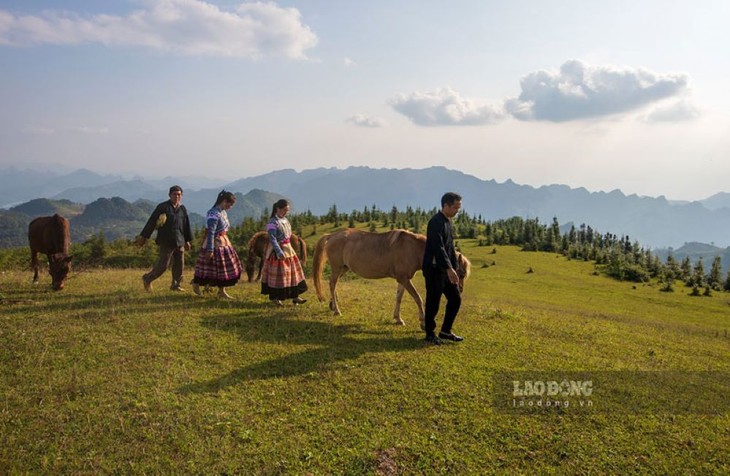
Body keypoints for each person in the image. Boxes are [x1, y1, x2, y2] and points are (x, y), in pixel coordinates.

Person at [422, 192, 464, 345]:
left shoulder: (448, 222)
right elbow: (438, 248)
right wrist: (449, 269)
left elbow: (450, 248)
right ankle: (430, 333)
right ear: (446, 205)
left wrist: (455, 268)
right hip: (434, 269)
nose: (457, 211)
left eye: (459, 208)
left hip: (446, 270)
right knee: (433, 302)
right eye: (455, 208)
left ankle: (446, 331)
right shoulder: (435, 222)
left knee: (455, 298)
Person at [135, 185, 193, 292]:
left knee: (180, 265)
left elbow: (186, 225)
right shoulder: (163, 207)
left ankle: (176, 285)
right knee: (163, 265)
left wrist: (187, 241)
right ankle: (147, 278)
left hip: (179, 240)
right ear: (169, 195)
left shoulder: (182, 209)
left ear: (182, 196)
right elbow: (152, 222)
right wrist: (144, 237)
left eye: (179, 195)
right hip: (166, 240)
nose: (177, 196)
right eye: (174, 194)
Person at [191, 190, 243, 299]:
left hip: (223, 241)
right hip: (215, 243)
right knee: (209, 268)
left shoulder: (222, 212)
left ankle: (221, 291)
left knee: (222, 268)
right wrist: (210, 249)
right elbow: (211, 231)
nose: (231, 206)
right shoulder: (213, 213)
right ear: (224, 201)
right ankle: (196, 284)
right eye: (230, 204)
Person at [261, 199, 308, 306]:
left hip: (289, 250)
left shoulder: (285, 220)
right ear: (278, 209)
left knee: (293, 274)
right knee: (279, 276)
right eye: (285, 210)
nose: (286, 212)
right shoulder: (271, 222)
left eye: (287, 210)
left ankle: (295, 296)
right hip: (278, 250)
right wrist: (279, 252)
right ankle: (276, 298)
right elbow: (272, 239)